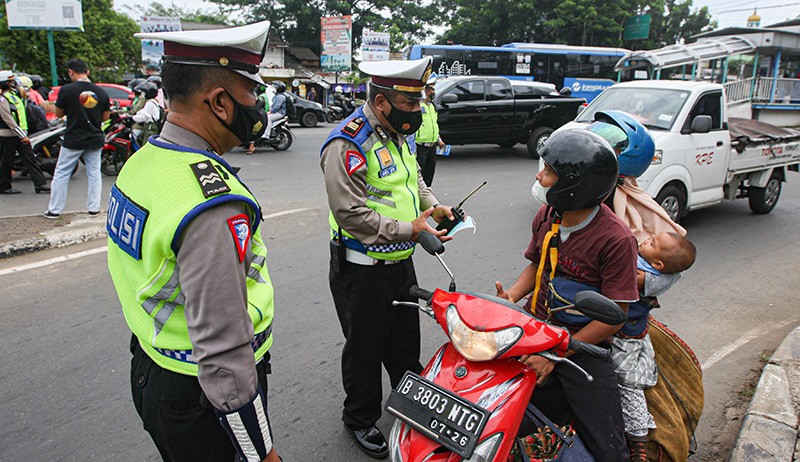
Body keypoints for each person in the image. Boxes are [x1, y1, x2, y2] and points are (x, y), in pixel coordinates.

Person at [108, 21, 280, 462]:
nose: (258, 105)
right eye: (251, 93)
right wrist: (261, 452)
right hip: (203, 396)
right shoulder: (213, 204)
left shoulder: (144, 161)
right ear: (220, 102)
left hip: (153, 368)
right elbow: (223, 348)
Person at [320, 56, 456, 459]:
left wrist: (435, 207)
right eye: (410, 104)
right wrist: (410, 229)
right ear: (382, 102)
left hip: (400, 261)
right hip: (362, 269)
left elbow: (413, 179)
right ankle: (359, 418)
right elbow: (351, 214)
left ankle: (412, 400)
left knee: (403, 340)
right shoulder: (348, 142)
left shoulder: (398, 133)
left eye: (419, 103)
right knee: (364, 347)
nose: (418, 111)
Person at [495, 129, 637, 461]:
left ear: (575, 184)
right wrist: (511, 298)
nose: (539, 175)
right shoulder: (547, 215)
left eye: (548, 171)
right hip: (537, 329)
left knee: (608, 447)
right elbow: (537, 265)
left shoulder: (616, 239)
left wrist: (556, 353)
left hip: (583, 343)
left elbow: (615, 314)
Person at [43, 59, 109, 218]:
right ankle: (94, 208)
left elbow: (59, 114)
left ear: (71, 72)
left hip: (74, 138)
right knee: (94, 173)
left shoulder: (67, 90)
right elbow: (105, 116)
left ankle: (54, 210)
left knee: (61, 173)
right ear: (88, 72)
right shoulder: (101, 92)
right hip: (94, 137)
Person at [0, 71, 49, 194]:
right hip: (9, 135)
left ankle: (40, 184)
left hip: (20, 134)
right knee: (6, 161)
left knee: (30, 159)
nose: (13, 83)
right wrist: (22, 135)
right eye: (10, 81)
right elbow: (9, 120)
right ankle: (4, 186)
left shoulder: (13, 96)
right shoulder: (2, 99)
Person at [414, 76, 444, 186]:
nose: (433, 92)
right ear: (425, 91)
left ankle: (427, 193)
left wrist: (438, 139)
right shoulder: (417, 106)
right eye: (431, 89)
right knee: (420, 172)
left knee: (430, 171)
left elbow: (434, 124)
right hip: (420, 145)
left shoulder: (432, 106)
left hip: (432, 145)